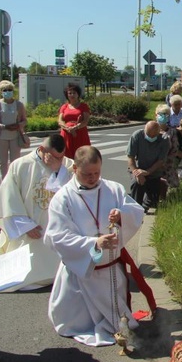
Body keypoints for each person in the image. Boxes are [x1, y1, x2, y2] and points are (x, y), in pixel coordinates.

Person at [45, 146, 153, 346]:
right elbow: (56, 236)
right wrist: (93, 243)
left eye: (97, 173)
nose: (93, 178)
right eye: (87, 174)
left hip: (110, 268)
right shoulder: (63, 198)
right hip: (82, 272)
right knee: (77, 324)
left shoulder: (113, 188)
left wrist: (122, 215)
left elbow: (135, 211)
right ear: (75, 168)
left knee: (119, 319)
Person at [0, 134, 73, 289]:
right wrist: (25, 225)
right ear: (41, 149)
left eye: (61, 157)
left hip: (56, 227)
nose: (58, 160)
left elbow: (72, 194)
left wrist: (58, 171)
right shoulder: (20, 165)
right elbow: (9, 198)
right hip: (29, 227)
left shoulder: (67, 166)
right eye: (54, 156)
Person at [126, 121, 170, 213]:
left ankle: (148, 202)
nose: (151, 138)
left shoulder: (164, 140)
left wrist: (148, 172)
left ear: (159, 133)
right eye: (148, 135)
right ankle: (136, 209)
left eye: (154, 136)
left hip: (154, 171)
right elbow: (130, 157)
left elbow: (161, 161)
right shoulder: (137, 136)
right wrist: (137, 172)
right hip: (138, 168)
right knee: (137, 184)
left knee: (153, 201)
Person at [0, 80, 28, 179]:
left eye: (9, 90)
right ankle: (4, 182)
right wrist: (4, 126)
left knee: (15, 161)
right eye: (5, 90)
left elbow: (24, 120)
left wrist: (18, 125)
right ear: (1, 92)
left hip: (15, 136)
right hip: (1, 137)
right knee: (3, 162)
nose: (7, 92)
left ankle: (15, 180)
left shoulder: (19, 104)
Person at [58, 82, 91, 159]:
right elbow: (60, 120)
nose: (72, 95)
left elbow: (85, 121)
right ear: (67, 95)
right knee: (66, 156)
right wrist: (67, 128)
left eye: (74, 93)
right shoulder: (64, 106)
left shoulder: (83, 106)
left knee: (81, 156)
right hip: (66, 134)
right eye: (70, 93)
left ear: (78, 94)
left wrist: (75, 128)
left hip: (80, 133)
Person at [155, 104, 181, 193]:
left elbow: (175, 148)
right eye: (161, 114)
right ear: (156, 115)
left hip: (167, 165)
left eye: (166, 114)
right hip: (153, 164)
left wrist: (166, 161)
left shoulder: (172, 132)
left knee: (170, 188)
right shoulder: (151, 129)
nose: (164, 117)